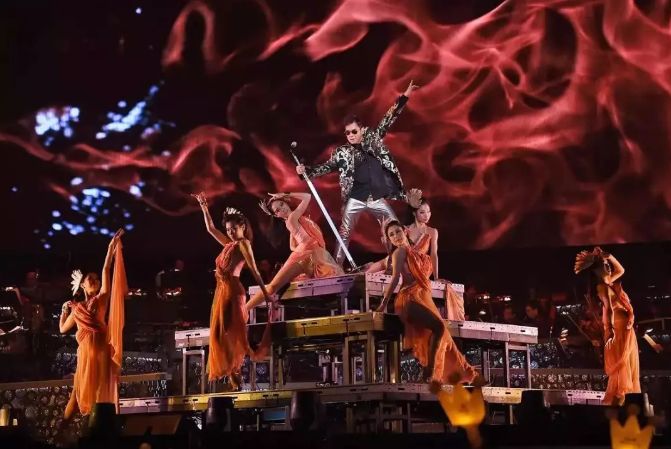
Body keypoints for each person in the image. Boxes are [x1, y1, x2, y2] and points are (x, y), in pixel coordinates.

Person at [296, 80, 420, 265]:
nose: (351, 135)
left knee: (394, 228)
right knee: (344, 233)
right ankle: (336, 267)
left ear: (362, 129)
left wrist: (405, 95)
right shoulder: (342, 152)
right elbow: (327, 167)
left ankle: (403, 263)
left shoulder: (373, 140)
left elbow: (388, 118)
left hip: (376, 197)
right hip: (355, 199)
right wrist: (305, 171)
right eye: (347, 133)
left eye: (354, 131)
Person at [375, 220, 477, 383]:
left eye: (397, 232)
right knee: (439, 328)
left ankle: (437, 374)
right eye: (391, 235)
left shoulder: (416, 253)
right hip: (409, 298)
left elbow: (425, 274)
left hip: (422, 296)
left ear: (405, 231)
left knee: (441, 333)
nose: (395, 236)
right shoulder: (399, 252)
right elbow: (394, 279)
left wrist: (437, 278)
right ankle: (429, 374)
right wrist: (384, 303)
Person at [193, 193, 272, 389]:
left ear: (242, 226)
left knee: (231, 334)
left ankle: (235, 372)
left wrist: (266, 295)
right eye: (228, 229)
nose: (230, 232)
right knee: (218, 334)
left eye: (233, 229)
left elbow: (254, 269)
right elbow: (211, 229)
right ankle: (232, 372)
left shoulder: (244, 243)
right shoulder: (229, 245)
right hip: (222, 292)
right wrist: (204, 206)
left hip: (233, 292)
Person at [59, 229, 126, 421]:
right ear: (82, 285)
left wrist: (110, 249)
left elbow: (106, 269)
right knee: (76, 396)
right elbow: (62, 329)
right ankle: (62, 429)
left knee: (101, 395)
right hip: (85, 356)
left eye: (97, 279)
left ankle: (100, 429)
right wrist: (63, 312)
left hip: (101, 354)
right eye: (91, 278)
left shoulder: (101, 299)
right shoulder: (77, 308)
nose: (95, 280)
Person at [246, 192, 344, 313]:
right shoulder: (293, 218)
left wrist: (302, 246)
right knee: (272, 287)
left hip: (310, 255)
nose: (282, 209)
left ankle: (244, 311)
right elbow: (307, 197)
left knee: (273, 287)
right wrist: (286, 194)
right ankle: (244, 310)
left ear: (286, 203)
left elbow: (292, 246)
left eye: (282, 204)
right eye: (277, 210)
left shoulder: (293, 220)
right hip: (310, 256)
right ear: (277, 215)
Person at [574, 247, 640, 405]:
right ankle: (617, 404)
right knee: (621, 368)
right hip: (617, 329)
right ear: (597, 270)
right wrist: (610, 330)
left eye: (608, 265)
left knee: (627, 366)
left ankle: (624, 404)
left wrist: (609, 256)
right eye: (605, 265)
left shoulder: (609, 282)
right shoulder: (602, 287)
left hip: (626, 329)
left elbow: (621, 269)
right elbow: (608, 308)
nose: (609, 267)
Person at [365, 191, 436, 277]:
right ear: (414, 213)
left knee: (380, 271)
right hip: (401, 260)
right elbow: (394, 248)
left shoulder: (432, 231)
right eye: (422, 212)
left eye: (428, 212)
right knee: (368, 272)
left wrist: (436, 277)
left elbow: (434, 255)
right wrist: (384, 233)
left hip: (417, 265)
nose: (426, 216)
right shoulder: (405, 228)